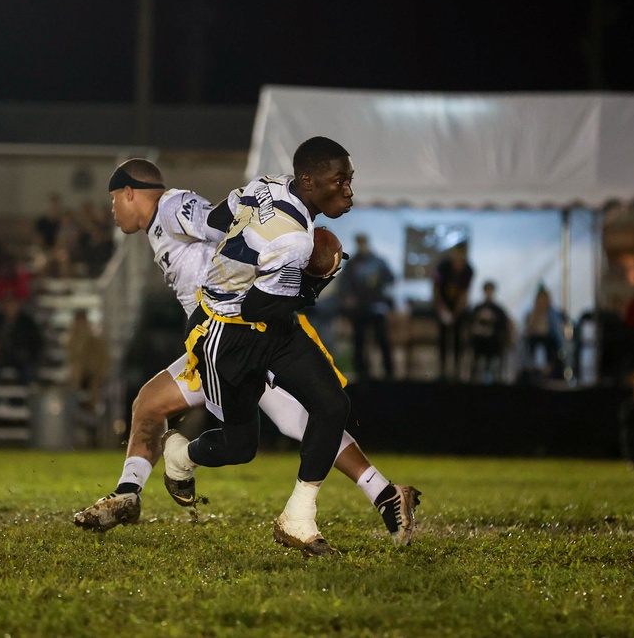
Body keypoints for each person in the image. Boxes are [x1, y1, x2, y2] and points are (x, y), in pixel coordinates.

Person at [125, 139, 416, 555]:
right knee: (241, 445)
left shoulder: (269, 184)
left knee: (331, 404)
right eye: (340, 181)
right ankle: (179, 453)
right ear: (308, 181)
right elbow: (262, 307)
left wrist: (244, 250)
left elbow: (221, 217)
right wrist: (316, 281)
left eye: (350, 180)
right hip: (226, 334)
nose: (349, 190)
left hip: (260, 321)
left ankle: (298, 517)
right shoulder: (295, 241)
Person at [338, 233, 395, 381]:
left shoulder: (378, 261)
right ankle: (361, 372)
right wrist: (348, 297)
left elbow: (390, 278)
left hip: (376, 306)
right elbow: (344, 285)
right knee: (359, 340)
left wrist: (383, 291)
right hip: (359, 308)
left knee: (382, 339)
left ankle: (389, 371)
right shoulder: (352, 264)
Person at [432, 241, 474, 381]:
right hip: (443, 305)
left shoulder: (468, 269)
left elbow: (464, 294)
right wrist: (442, 310)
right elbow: (436, 289)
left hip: (458, 308)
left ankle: (456, 371)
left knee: (457, 338)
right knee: (443, 338)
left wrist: (455, 314)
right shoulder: (443, 266)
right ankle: (442, 370)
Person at [468, 281, 512, 384]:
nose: (489, 292)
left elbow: (504, 326)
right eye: (487, 290)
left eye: (491, 290)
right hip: (479, 342)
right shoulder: (477, 308)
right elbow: (471, 325)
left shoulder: (499, 310)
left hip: (494, 342)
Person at [523, 285, 566, 380]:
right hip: (535, 338)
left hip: (549, 338)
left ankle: (550, 368)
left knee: (551, 345)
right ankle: (533, 369)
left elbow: (557, 331)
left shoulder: (553, 313)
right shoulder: (532, 313)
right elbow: (528, 330)